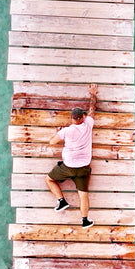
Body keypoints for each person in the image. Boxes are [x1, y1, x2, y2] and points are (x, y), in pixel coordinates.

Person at [45, 83, 98, 228]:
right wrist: (92, 94)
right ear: (82, 117)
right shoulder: (88, 124)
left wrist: (59, 132)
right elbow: (92, 109)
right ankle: (85, 220)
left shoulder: (66, 131)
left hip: (67, 167)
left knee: (49, 179)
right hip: (83, 168)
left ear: (72, 118)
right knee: (83, 194)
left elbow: (52, 142)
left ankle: (61, 201)